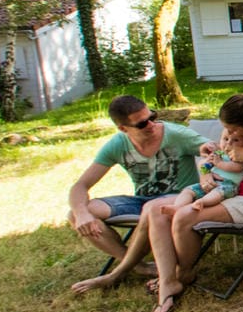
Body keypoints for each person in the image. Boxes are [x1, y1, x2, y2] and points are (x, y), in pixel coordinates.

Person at [145, 91, 243, 312]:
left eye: (233, 131)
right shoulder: (234, 131)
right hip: (224, 189)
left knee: (185, 216)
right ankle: (168, 280)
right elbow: (211, 158)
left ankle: (183, 274)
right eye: (226, 129)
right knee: (156, 209)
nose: (228, 135)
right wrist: (205, 175)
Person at [67, 96, 206, 295]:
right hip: (142, 200)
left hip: (178, 199)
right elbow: (80, 185)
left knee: (153, 207)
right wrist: (81, 213)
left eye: (152, 116)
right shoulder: (118, 144)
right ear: (124, 129)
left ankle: (119, 271)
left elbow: (217, 152)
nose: (151, 124)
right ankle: (139, 266)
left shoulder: (177, 135)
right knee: (76, 213)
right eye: (142, 124)